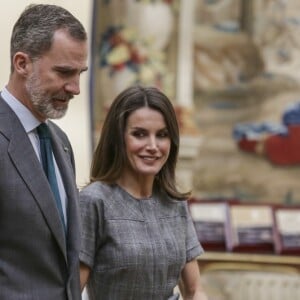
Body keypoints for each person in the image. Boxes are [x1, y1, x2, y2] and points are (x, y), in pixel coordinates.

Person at [79, 85, 208, 300]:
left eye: (162, 135)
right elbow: (71, 291)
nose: (152, 146)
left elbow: (194, 290)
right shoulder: (94, 201)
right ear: (118, 139)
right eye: (139, 134)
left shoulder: (175, 203)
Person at [0, 4, 88, 300]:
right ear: (22, 63)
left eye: (80, 73)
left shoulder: (60, 141)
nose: (75, 88)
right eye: (64, 72)